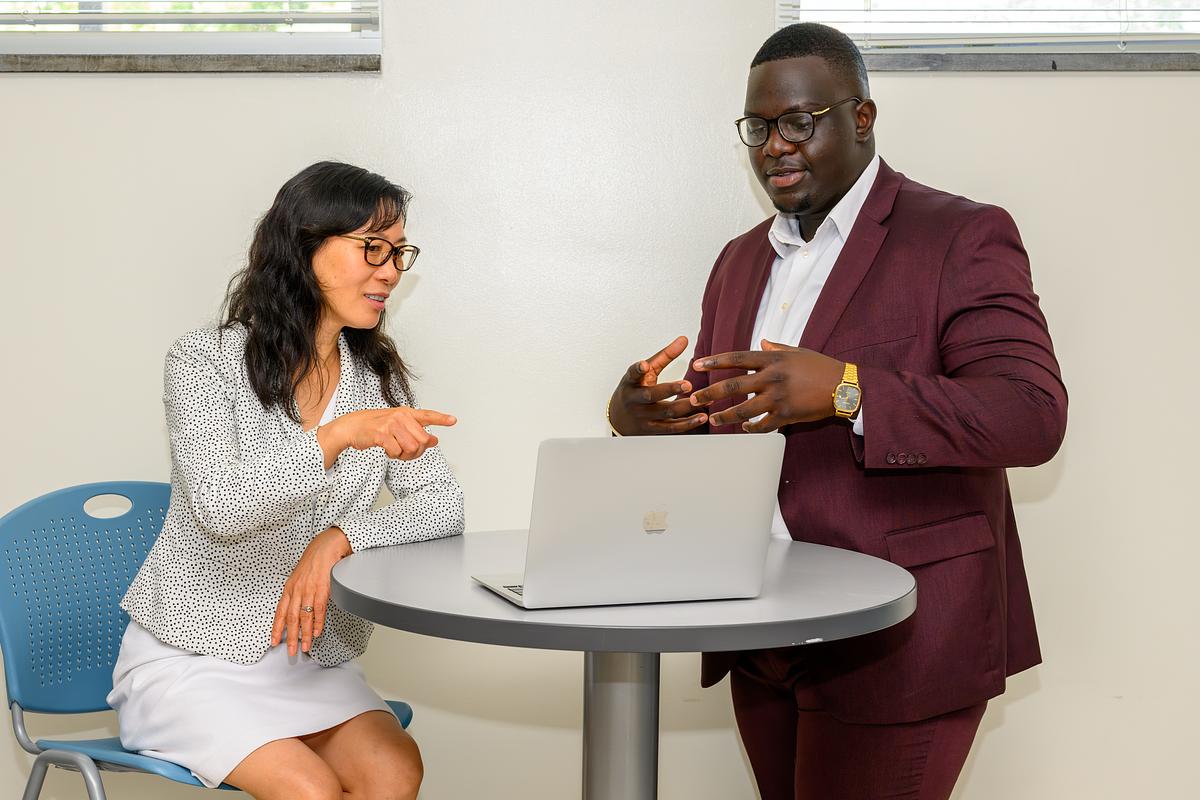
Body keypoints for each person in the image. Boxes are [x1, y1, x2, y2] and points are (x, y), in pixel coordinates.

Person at [606, 23, 1067, 800]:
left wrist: (849, 390)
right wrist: (647, 419)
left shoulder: (960, 234)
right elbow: (728, 425)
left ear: (861, 117)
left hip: (901, 633)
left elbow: (1030, 414)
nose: (774, 146)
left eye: (798, 121)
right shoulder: (740, 258)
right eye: (759, 128)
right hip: (761, 631)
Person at [108, 161, 465, 799]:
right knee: (312, 791)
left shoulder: (375, 379)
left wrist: (339, 537)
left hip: (308, 661)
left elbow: (443, 507)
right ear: (303, 248)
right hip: (195, 662)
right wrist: (336, 435)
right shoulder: (204, 361)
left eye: (399, 252)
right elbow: (221, 505)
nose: (389, 269)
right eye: (371, 248)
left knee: (396, 771)